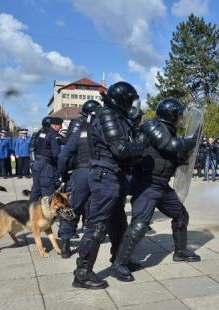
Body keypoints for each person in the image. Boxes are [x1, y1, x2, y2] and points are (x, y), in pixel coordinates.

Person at [110, 98, 201, 283]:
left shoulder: (170, 132)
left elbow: (174, 156)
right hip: (146, 183)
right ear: (171, 114)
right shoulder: (152, 125)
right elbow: (168, 145)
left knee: (181, 215)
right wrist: (191, 141)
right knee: (140, 224)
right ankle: (118, 264)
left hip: (162, 184)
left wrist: (188, 154)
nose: (181, 119)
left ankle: (181, 251)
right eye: (179, 115)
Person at [73, 82, 145, 290]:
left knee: (119, 223)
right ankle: (82, 272)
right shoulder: (107, 115)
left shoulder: (118, 117)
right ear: (121, 100)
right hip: (106, 176)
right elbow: (120, 148)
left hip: (115, 175)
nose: (132, 105)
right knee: (97, 227)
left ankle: (118, 260)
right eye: (130, 101)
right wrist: (143, 144)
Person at [58, 100, 101, 258]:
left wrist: (63, 175)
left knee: (71, 209)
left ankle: (65, 245)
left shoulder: (78, 130)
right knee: (97, 211)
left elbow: (64, 156)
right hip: (100, 172)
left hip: (81, 172)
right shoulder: (105, 130)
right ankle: (91, 244)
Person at [29, 117, 63, 203]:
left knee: (36, 189)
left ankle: (30, 211)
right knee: (47, 190)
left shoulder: (39, 133)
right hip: (46, 166)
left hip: (37, 163)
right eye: (60, 125)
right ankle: (47, 213)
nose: (61, 127)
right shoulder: (53, 134)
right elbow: (57, 153)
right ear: (54, 125)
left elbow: (32, 147)